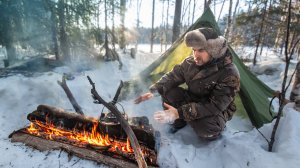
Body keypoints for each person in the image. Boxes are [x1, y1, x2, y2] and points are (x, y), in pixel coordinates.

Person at [134, 27, 240, 140]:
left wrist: (179, 112)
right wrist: (154, 90)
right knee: (168, 91)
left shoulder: (229, 73)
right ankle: (179, 122)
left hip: (216, 110)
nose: (195, 55)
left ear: (213, 50)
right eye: (194, 50)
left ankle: (212, 133)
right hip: (193, 99)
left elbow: (215, 105)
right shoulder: (190, 62)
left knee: (206, 127)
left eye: (200, 50)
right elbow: (173, 76)